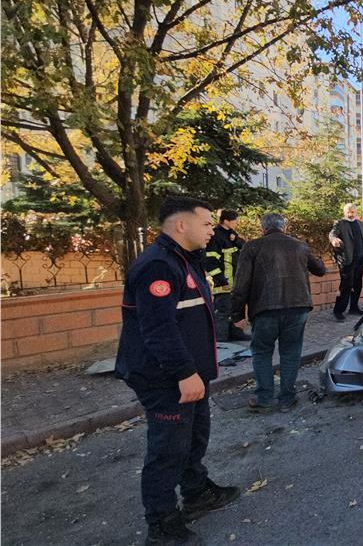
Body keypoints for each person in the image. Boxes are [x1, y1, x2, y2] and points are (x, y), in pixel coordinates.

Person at [115, 196, 239, 545]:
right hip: (167, 378)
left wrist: (195, 373)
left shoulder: (187, 260)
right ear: (181, 225)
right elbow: (158, 329)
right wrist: (185, 373)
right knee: (167, 450)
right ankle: (162, 524)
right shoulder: (158, 265)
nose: (211, 229)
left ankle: (197, 492)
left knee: (194, 439)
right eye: (206, 223)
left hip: (191, 376)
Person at [230, 213, 326, 413]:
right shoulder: (299, 245)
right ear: (284, 227)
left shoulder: (252, 246)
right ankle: (287, 399)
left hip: (265, 309)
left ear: (263, 228)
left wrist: (237, 314)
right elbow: (320, 270)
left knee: (262, 352)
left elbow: (241, 284)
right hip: (298, 307)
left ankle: (264, 398)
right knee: (291, 352)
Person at [328, 203, 363, 322]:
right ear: (344, 212)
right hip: (346, 261)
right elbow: (332, 234)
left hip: (360, 260)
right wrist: (333, 240)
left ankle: (354, 308)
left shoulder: (359, 223)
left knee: (357, 285)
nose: (350, 214)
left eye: (352, 212)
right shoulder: (339, 223)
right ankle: (338, 311)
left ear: (356, 212)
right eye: (348, 212)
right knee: (345, 287)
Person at [205, 209, 250, 342]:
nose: (236, 223)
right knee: (222, 312)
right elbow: (210, 262)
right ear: (226, 221)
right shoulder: (215, 236)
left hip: (234, 282)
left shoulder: (231, 234)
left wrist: (236, 239)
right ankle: (221, 340)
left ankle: (235, 334)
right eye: (235, 221)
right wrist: (221, 281)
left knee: (235, 311)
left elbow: (245, 247)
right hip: (223, 284)